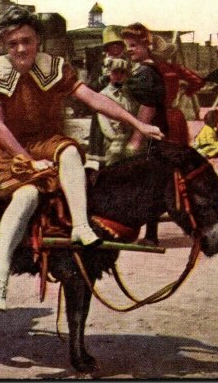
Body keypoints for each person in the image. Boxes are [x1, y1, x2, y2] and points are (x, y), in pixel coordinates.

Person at [0, 6, 163, 310]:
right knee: (27, 195)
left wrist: (137, 123)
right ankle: (1, 271)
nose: (20, 48)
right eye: (12, 43)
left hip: (43, 141)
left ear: (38, 41)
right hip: (4, 148)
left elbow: (94, 98)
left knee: (70, 150)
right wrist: (27, 161)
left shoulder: (53, 67)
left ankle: (80, 226)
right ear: (5, 45)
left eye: (27, 41)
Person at [122, 23, 204, 245]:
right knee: (170, 173)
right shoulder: (169, 67)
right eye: (126, 46)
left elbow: (145, 103)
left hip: (155, 120)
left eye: (133, 45)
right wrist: (187, 91)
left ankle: (150, 233)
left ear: (147, 46)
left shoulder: (146, 71)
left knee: (152, 176)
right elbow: (197, 80)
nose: (129, 50)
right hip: (174, 119)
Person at [85, 25, 128, 171]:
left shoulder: (129, 63)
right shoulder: (100, 64)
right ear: (107, 48)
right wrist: (103, 79)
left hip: (123, 105)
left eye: (118, 45)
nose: (115, 49)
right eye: (112, 45)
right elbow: (91, 85)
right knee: (101, 142)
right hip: (103, 105)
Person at [96, 57, 138, 167]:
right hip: (113, 139)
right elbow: (104, 123)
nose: (119, 76)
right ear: (109, 74)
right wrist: (115, 138)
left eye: (122, 72)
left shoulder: (129, 93)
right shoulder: (104, 95)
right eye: (115, 72)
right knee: (113, 168)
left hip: (131, 138)